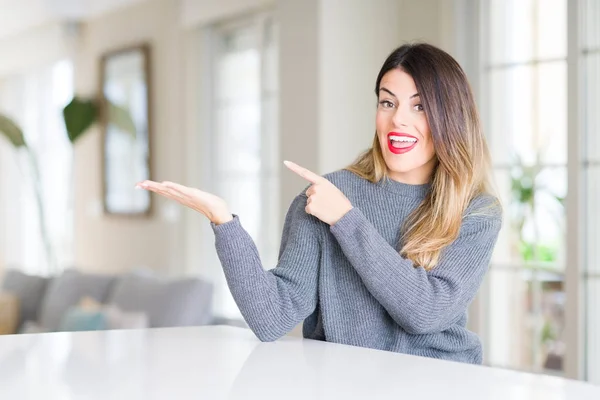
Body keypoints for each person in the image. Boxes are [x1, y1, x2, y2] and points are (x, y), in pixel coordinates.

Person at [136, 42, 502, 365]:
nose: (397, 120)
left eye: (419, 106)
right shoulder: (325, 196)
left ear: (450, 116)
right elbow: (271, 318)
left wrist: (346, 220)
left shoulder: (476, 210)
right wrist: (223, 222)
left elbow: (425, 312)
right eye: (387, 102)